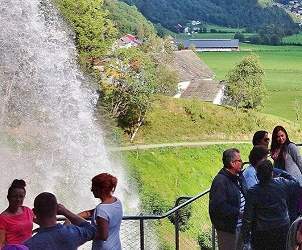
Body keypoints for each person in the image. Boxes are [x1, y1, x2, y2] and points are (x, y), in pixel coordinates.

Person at [242, 160, 300, 250]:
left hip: (262, 231)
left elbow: (247, 217)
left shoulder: (253, 192)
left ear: (257, 175)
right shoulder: (282, 183)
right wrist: (281, 172)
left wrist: (246, 238)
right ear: (272, 173)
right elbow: (296, 182)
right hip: (282, 228)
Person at [24, 192, 95, 250]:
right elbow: (91, 230)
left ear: (34, 211)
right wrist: (65, 212)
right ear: (57, 209)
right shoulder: (72, 233)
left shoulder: (29, 245)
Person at [209, 148, 247, 250]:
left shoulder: (238, 176)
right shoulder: (220, 182)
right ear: (232, 163)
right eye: (239, 160)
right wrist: (239, 213)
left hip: (241, 226)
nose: (242, 162)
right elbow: (218, 207)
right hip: (228, 230)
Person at [79, 173, 123, 250]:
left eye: (93, 187)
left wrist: (83, 232)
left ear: (102, 189)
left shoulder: (101, 209)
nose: (91, 190)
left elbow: (103, 236)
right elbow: (91, 212)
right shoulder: (117, 202)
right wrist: (71, 216)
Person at [0, 179, 34, 249]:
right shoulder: (2, 218)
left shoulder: (28, 210)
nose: (18, 199)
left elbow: (44, 222)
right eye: (15, 196)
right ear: (8, 197)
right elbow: (1, 243)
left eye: (21, 196)